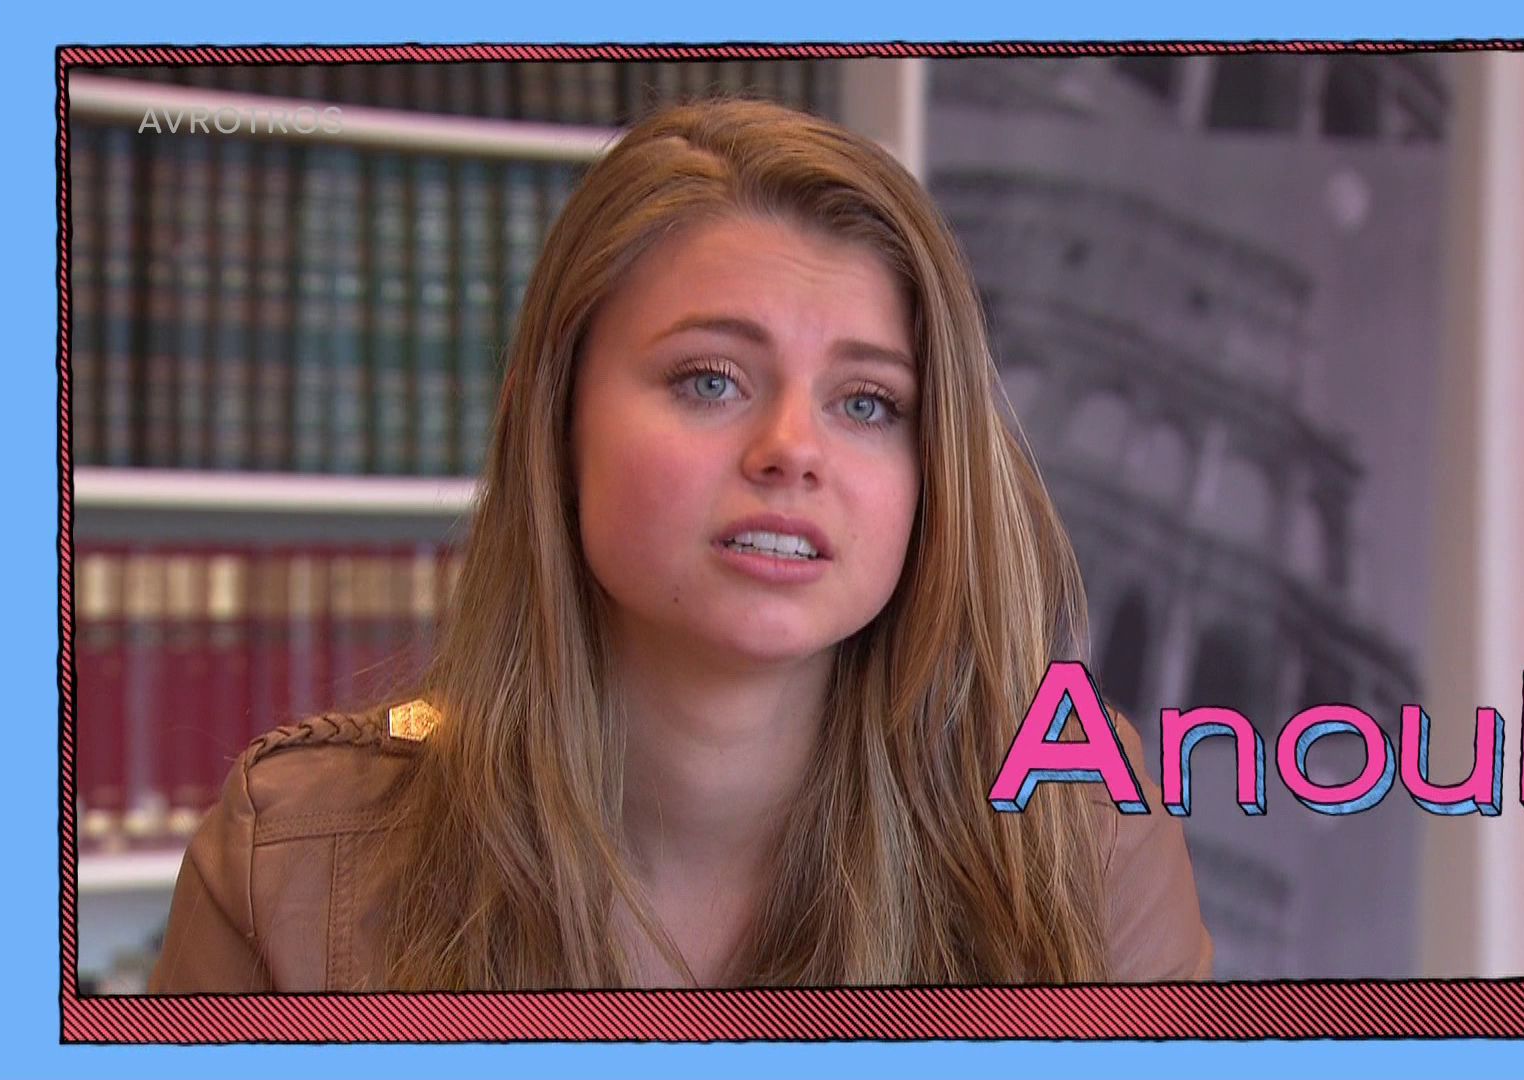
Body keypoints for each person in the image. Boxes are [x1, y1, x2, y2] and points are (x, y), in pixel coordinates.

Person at [148, 98, 1212, 992]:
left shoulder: (1085, 840)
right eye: (710, 379)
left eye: (868, 403)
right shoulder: (289, 862)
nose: (792, 451)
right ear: (554, 422)